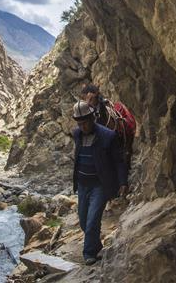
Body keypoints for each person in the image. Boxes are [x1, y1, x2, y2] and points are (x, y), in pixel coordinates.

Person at [71, 100, 128, 265]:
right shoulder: (77, 134)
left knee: (92, 219)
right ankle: (96, 246)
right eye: (80, 124)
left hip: (99, 185)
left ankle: (89, 253)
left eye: (85, 123)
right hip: (82, 184)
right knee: (83, 220)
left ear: (92, 119)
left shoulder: (108, 136)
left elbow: (119, 161)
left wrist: (122, 182)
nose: (83, 127)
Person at [82, 84, 136, 169]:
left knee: (123, 123)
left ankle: (125, 150)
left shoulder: (101, 108)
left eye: (91, 99)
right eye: (86, 99)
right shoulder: (87, 111)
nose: (88, 102)